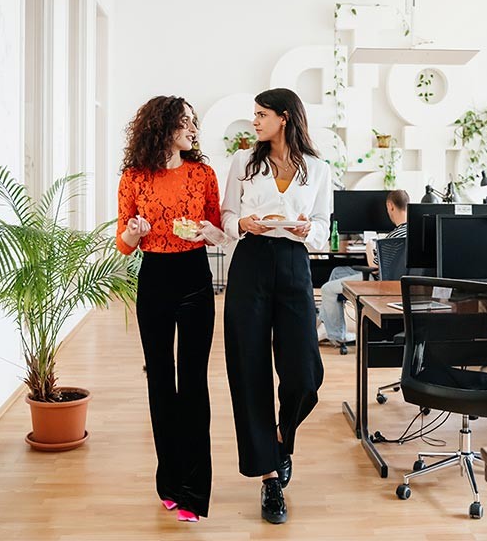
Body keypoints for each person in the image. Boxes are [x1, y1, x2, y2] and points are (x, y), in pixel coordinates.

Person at [220, 88, 331, 524]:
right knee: (248, 369)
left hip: (293, 261)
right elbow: (228, 217)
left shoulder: (318, 169)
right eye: (254, 115)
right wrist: (241, 223)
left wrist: (308, 232)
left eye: (261, 115)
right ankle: (269, 479)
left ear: (284, 118)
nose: (255, 122)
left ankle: (282, 436)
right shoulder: (243, 163)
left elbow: (323, 224)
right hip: (250, 262)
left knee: (305, 372)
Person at [116, 95, 223, 523]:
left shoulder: (203, 174)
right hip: (155, 278)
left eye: (194, 123)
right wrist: (134, 231)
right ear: (162, 127)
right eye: (185, 123)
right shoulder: (133, 177)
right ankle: (170, 482)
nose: (193, 130)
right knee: (161, 381)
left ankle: (196, 493)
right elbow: (123, 246)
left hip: (195, 277)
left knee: (193, 383)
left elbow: (217, 234)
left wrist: (207, 230)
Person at [318, 189, 409, 345]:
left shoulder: (394, 235)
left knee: (327, 289)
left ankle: (338, 336)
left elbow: (374, 266)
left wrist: (368, 247)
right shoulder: (410, 231)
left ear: (390, 206)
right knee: (337, 272)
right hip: (398, 280)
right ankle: (328, 324)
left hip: (379, 282)